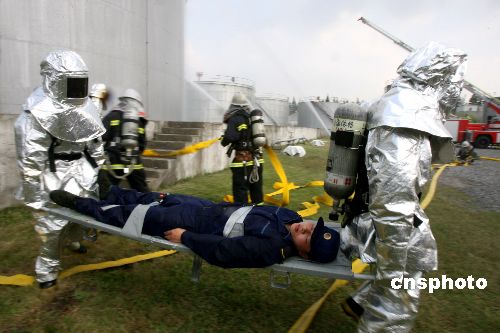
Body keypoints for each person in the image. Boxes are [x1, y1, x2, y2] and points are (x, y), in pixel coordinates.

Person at [340, 42, 468, 332]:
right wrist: (392, 271)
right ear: (439, 80)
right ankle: (380, 316)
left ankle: (362, 302)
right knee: (401, 294)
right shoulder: (402, 120)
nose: (456, 94)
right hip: (373, 224)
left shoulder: (395, 106)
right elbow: (392, 207)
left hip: (371, 216)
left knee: (417, 251)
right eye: (455, 84)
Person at [49, 185, 341, 268]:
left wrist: (186, 237)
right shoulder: (291, 216)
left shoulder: (271, 248)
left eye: (309, 239)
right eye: (312, 228)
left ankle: (81, 205)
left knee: (137, 215)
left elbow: (225, 253)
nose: (305, 230)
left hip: (198, 224)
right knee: (157, 198)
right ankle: (109, 192)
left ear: (303, 254)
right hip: (208, 208)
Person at [14, 50, 106, 289]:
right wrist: (35, 198)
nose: (77, 88)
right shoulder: (35, 114)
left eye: (80, 82)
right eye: (72, 82)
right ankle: (47, 271)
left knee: (83, 213)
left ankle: (74, 242)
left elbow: (95, 141)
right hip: (53, 175)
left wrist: (99, 168)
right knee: (52, 226)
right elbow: (30, 160)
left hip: (82, 171)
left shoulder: (87, 106)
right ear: (55, 81)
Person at [101, 88, 150, 192]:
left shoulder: (111, 115)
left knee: (107, 192)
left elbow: (102, 136)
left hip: (112, 161)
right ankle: (149, 206)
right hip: (133, 162)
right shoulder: (137, 119)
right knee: (142, 191)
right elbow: (142, 143)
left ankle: (105, 207)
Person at [221, 93, 264, 205]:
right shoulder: (252, 118)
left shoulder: (235, 118)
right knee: (256, 187)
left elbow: (231, 136)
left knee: (240, 188)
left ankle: (241, 212)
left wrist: (223, 141)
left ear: (233, 105)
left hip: (242, 162)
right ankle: (259, 210)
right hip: (256, 160)